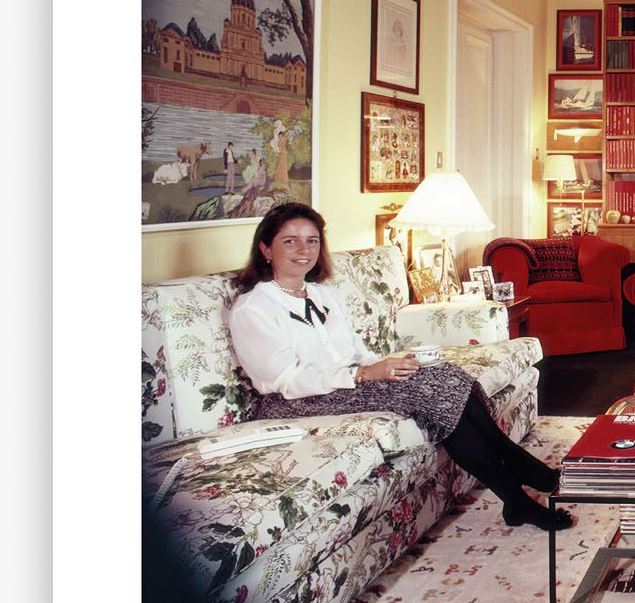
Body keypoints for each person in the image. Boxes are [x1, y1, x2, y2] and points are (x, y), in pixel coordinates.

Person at [226, 203, 570, 531]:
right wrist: (362, 375)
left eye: (312, 240)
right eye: (290, 241)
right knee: (430, 391)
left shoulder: (323, 295)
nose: (304, 249)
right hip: (295, 400)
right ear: (266, 249)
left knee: (444, 373)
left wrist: (385, 365)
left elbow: (356, 351)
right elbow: (285, 380)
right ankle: (518, 486)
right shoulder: (254, 308)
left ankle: (516, 491)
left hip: (345, 382)